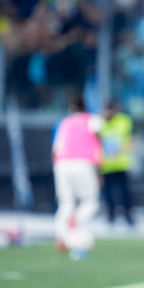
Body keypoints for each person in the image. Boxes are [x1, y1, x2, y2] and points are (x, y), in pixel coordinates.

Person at [53, 95, 103, 260]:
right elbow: (99, 141)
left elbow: (55, 149)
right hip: (83, 163)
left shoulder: (64, 123)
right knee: (91, 202)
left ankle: (62, 236)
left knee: (66, 202)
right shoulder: (92, 120)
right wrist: (99, 171)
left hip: (61, 164)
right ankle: (74, 223)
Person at [99, 100, 135, 228]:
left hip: (121, 163)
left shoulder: (124, 121)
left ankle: (129, 217)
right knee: (108, 193)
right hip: (106, 164)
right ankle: (111, 217)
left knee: (125, 192)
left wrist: (126, 149)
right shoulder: (100, 122)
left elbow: (131, 138)